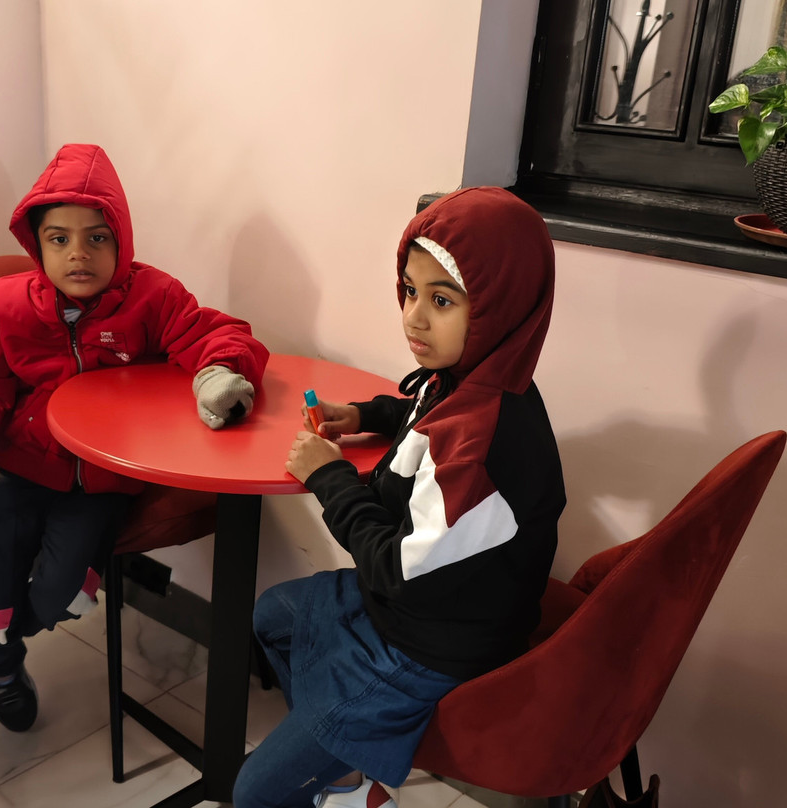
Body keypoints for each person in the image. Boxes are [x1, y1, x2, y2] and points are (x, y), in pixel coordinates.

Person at [233, 187, 565, 808]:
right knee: (272, 616)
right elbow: (420, 410)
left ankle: (348, 757)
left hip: (432, 644)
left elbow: (396, 568)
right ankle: (346, 773)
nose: (413, 317)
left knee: (254, 794)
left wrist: (329, 477)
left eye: (441, 300)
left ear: (499, 306)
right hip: (410, 610)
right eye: (410, 291)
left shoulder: (484, 447)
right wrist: (363, 414)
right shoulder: (475, 376)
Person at [0, 143, 269, 732]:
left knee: (60, 596)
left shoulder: (153, 296)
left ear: (122, 241)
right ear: (37, 245)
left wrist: (216, 372)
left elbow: (217, 333)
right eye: (59, 238)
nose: (78, 253)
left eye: (97, 237)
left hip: (101, 479)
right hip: (13, 465)